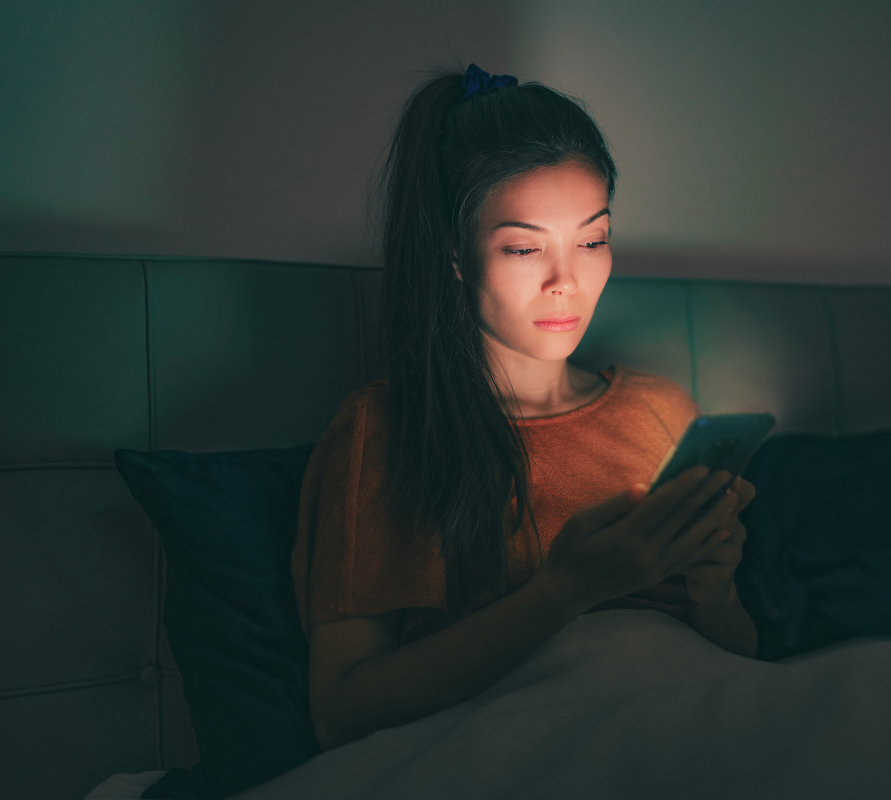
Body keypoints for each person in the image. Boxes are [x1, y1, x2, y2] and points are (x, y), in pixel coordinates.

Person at [291, 65, 758, 752]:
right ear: (456, 254)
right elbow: (341, 712)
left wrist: (715, 591)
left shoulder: (662, 410)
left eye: (592, 240)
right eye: (523, 247)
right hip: (541, 746)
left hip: (704, 724)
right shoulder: (389, 432)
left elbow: (739, 661)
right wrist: (562, 592)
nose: (566, 281)